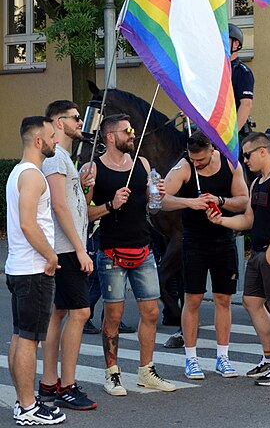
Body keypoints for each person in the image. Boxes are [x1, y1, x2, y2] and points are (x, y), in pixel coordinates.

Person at [81, 113, 175, 395]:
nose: (133, 135)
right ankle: (112, 373)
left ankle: (147, 370)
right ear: (111, 137)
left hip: (143, 247)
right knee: (113, 315)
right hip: (111, 251)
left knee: (151, 311)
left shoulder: (142, 164)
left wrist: (156, 195)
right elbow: (84, 213)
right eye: (127, 131)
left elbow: (154, 208)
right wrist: (110, 205)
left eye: (133, 130)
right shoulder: (93, 168)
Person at [208, 132, 270, 386]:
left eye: (247, 155)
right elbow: (249, 219)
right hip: (260, 252)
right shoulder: (257, 182)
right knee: (251, 302)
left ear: (263, 151)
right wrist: (221, 220)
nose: (245, 161)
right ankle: (269, 358)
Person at [160, 131, 248, 379]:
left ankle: (223, 357)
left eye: (201, 160)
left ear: (212, 150)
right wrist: (190, 203)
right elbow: (160, 199)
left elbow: (243, 200)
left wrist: (219, 201)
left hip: (223, 238)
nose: (197, 163)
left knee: (223, 299)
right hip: (194, 241)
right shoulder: (184, 167)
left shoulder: (231, 163)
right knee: (193, 299)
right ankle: (191, 359)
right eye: (193, 159)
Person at [6, 116, 66, 425]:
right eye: (52, 137)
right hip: (33, 269)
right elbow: (29, 223)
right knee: (28, 339)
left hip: (20, 268)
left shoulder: (19, 172)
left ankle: (23, 402)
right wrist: (51, 256)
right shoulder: (33, 176)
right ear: (38, 142)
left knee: (21, 336)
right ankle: (29, 408)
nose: (57, 141)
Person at [39, 100, 97, 411]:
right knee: (80, 313)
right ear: (59, 122)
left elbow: (72, 204)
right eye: (75, 118)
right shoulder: (55, 159)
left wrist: (84, 185)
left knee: (60, 312)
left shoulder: (61, 157)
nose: (80, 123)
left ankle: (49, 382)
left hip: (66, 246)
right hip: (66, 248)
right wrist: (79, 248)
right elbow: (59, 207)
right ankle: (67, 386)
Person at [229, 23, 255, 138]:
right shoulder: (214, 70)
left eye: (224, 40)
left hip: (233, 130)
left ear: (235, 44)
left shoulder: (243, 72)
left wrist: (232, 135)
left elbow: (246, 104)